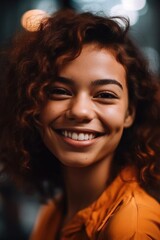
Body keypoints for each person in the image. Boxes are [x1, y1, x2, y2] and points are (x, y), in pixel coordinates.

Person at [0, 9, 160, 240]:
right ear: (33, 106)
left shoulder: (131, 228)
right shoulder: (55, 209)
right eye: (59, 91)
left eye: (105, 95)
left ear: (129, 113)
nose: (80, 111)